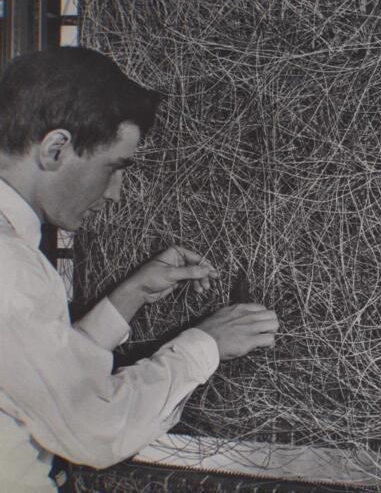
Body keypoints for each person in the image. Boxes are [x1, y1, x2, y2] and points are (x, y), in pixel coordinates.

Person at [0, 47, 280, 492]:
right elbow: (95, 429)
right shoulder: (10, 268)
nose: (115, 193)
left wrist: (127, 298)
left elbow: (40, 377)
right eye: (113, 167)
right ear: (55, 149)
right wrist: (206, 345)